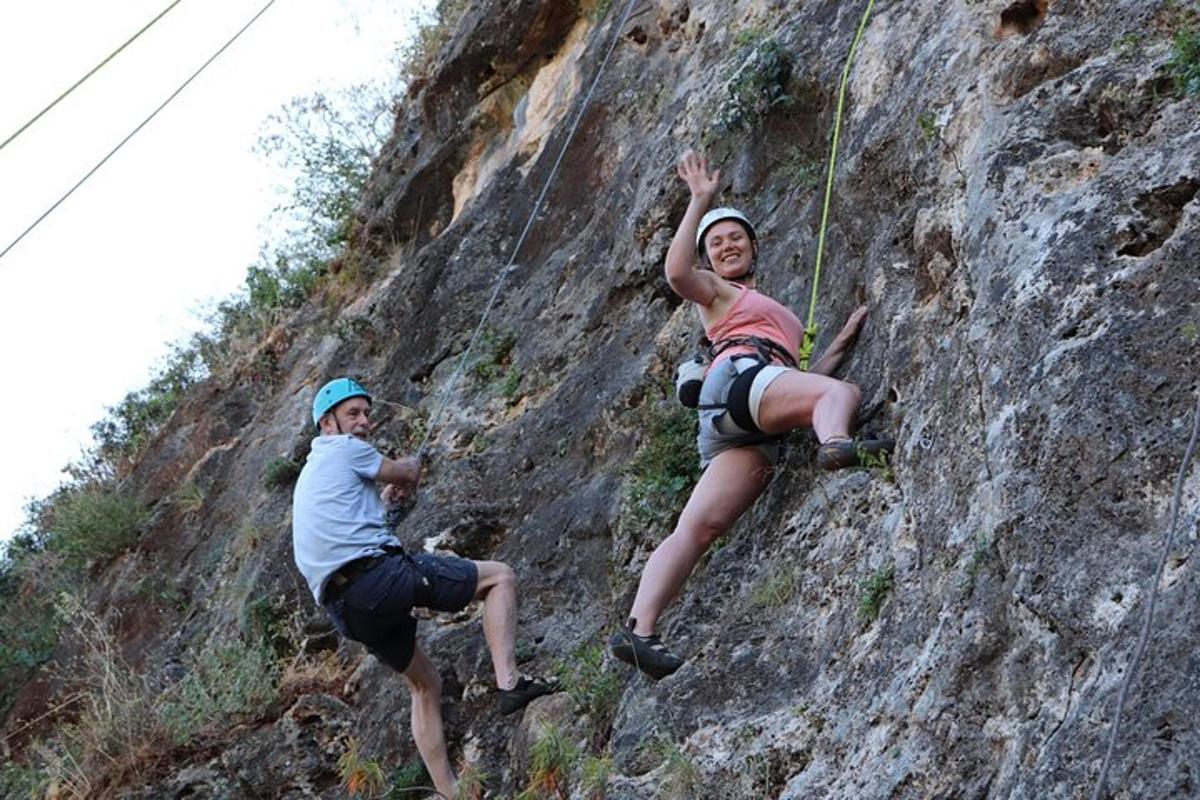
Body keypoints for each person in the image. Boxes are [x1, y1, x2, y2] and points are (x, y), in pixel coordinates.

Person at [609, 151, 893, 680]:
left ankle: (640, 628)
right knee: (841, 394)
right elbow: (676, 272)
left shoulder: (765, 306)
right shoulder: (717, 293)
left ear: (756, 246)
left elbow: (798, 375)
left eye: (736, 237)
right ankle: (835, 443)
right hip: (741, 380)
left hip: (739, 414)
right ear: (709, 262)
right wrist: (700, 202)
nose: (727, 245)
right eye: (716, 244)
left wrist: (842, 339)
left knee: (698, 528)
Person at [292, 377, 557, 798]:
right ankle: (510, 684)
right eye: (352, 414)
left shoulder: (316, 472)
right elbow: (406, 472)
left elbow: (365, 527)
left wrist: (390, 506)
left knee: (425, 683)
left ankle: (451, 792)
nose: (364, 422)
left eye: (366, 412)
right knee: (499, 577)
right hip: (375, 577)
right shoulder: (342, 448)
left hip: (345, 608)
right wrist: (410, 470)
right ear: (327, 423)